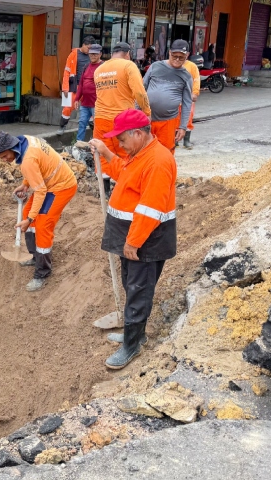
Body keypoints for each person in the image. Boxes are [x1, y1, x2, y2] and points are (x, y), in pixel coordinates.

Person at [89, 109, 176, 370]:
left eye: (122, 140)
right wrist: (105, 152)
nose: (120, 144)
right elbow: (125, 176)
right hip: (131, 235)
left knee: (139, 291)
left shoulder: (158, 161)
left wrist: (134, 242)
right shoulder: (139, 155)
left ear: (138, 134)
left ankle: (132, 345)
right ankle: (133, 333)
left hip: (145, 241)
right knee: (132, 284)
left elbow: (150, 208)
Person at [0, 132, 78, 292]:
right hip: (49, 183)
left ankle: (42, 272)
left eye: (4, 156)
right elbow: (37, 168)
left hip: (62, 186)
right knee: (27, 212)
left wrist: (30, 220)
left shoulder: (27, 161)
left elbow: (40, 190)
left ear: (11, 147)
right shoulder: (24, 140)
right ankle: (35, 256)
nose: (5, 160)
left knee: (42, 224)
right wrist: (25, 184)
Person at [94, 42, 150, 196]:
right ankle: (125, 185)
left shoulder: (99, 69)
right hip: (121, 119)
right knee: (127, 151)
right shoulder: (128, 65)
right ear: (127, 54)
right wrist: (146, 111)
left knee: (103, 152)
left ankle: (104, 189)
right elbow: (139, 93)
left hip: (100, 117)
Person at [143, 38, 192, 153]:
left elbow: (187, 103)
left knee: (165, 152)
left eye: (181, 57)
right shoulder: (155, 66)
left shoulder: (186, 76)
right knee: (144, 152)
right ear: (169, 52)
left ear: (187, 56)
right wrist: (137, 113)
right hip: (146, 119)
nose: (177, 60)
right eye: (174, 56)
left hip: (168, 122)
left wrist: (183, 127)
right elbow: (141, 89)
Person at [59, 36, 96, 133]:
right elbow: (66, 71)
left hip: (87, 87)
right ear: (83, 45)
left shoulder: (92, 56)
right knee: (67, 108)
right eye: (88, 48)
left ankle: (93, 130)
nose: (89, 51)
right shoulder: (73, 54)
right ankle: (62, 127)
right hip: (73, 86)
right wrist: (65, 88)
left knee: (92, 108)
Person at [73, 44, 103, 141]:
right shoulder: (86, 66)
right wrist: (77, 98)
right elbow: (81, 84)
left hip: (97, 104)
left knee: (97, 127)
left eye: (95, 54)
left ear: (100, 54)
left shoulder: (103, 67)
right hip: (85, 103)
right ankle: (78, 144)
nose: (92, 56)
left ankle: (96, 146)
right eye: (91, 54)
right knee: (82, 123)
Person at [180, 57, 200, 149]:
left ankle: (186, 141)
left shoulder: (192, 66)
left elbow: (196, 79)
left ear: (187, 54)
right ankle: (174, 141)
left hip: (188, 97)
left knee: (188, 118)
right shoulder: (170, 65)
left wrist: (195, 93)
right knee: (174, 119)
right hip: (175, 97)